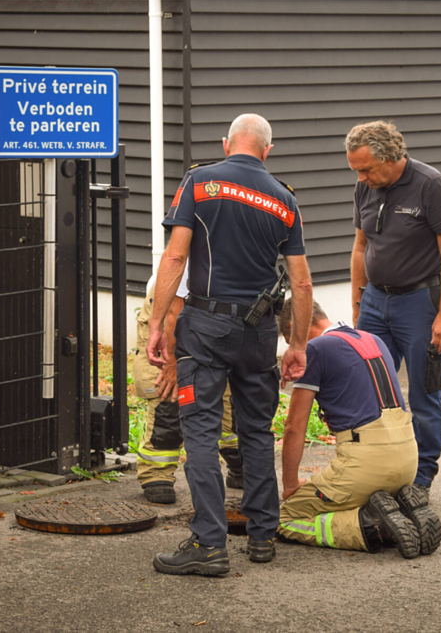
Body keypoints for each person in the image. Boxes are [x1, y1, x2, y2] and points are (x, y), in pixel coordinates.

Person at [147, 113, 314, 576]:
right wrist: (297, 344)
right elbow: (301, 285)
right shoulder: (285, 199)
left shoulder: (200, 183)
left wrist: (158, 322)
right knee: (256, 431)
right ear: (267, 150)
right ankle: (262, 536)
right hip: (259, 333)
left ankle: (208, 543)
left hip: (205, 325)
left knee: (199, 431)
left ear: (226, 144)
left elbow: (176, 255)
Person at [276, 298, 441, 559]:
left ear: (294, 326)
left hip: (366, 464)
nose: (293, 349)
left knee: (287, 517)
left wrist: (289, 485)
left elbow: (293, 429)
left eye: (290, 340)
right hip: (409, 459)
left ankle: (373, 524)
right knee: (353, 491)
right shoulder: (372, 339)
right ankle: (399, 508)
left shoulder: (314, 350)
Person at [347, 120, 441, 491]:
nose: (361, 177)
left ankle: (422, 474)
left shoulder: (430, 185)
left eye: (365, 168)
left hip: (419, 303)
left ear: (390, 157)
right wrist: (357, 302)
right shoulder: (364, 187)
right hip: (375, 301)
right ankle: (373, 465)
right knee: (368, 386)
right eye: (356, 170)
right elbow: (360, 247)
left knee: (424, 393)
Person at [132, 269, 242, 505]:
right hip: (174, 304)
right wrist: (172, 361)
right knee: (170, 393)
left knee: (230, 395)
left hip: (224, 310)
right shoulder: (199, 247)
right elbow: (174, 309)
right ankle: (157, 473)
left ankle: (239, 461)